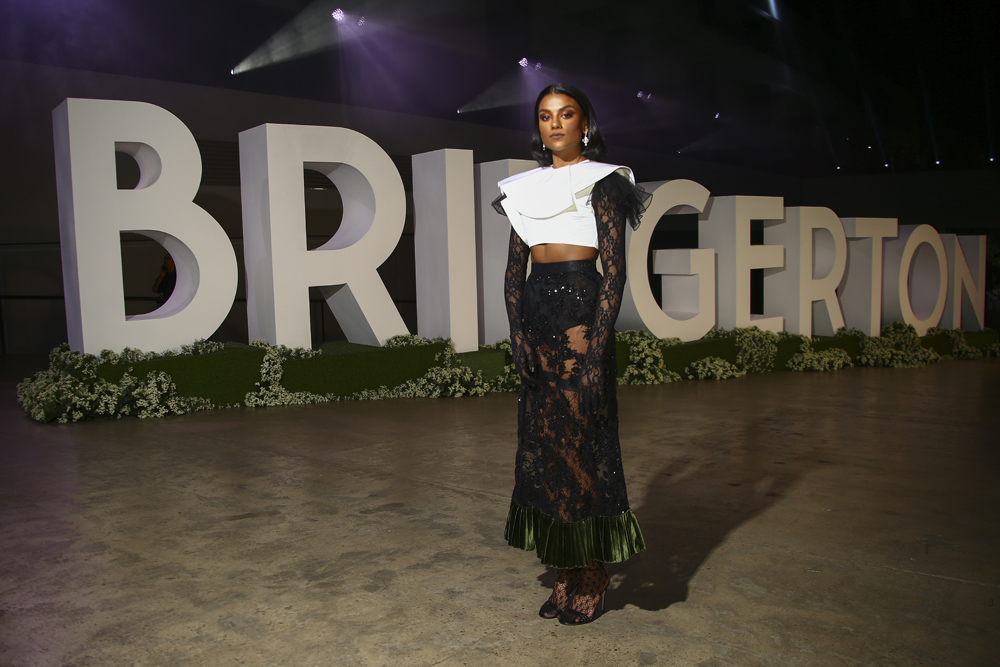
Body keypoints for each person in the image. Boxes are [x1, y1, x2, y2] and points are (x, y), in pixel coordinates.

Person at [493, 83, 649, 625]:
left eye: (566, 114)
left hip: (583, 316)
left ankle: (592, 571)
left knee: (581, 442)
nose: (554, 124)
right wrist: (518, 338)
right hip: (538, 314)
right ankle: (564, 567)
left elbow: (615, 272)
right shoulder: (522, 189)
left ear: (585, 122)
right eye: (544, 116)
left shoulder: (603, 181)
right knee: (546, 444)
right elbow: (514, 274)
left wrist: (598, 347)